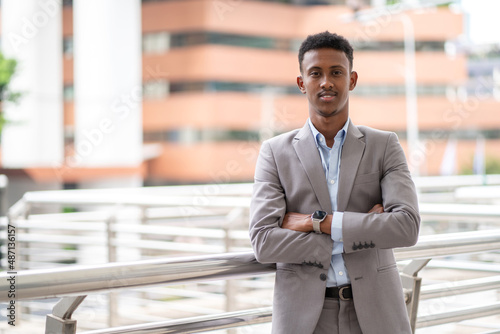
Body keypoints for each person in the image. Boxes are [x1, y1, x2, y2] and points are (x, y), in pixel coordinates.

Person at [249, 31, 420, 334]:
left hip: (377, 313)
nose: (326, 82)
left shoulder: (384, 145)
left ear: (351, 80)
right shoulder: (275, 153)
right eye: (316, 73)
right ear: (302, 83)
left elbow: (406, 227)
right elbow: (264, 242)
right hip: (304, 319)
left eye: (336, 72)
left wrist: (318, 222)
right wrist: (361, 228)